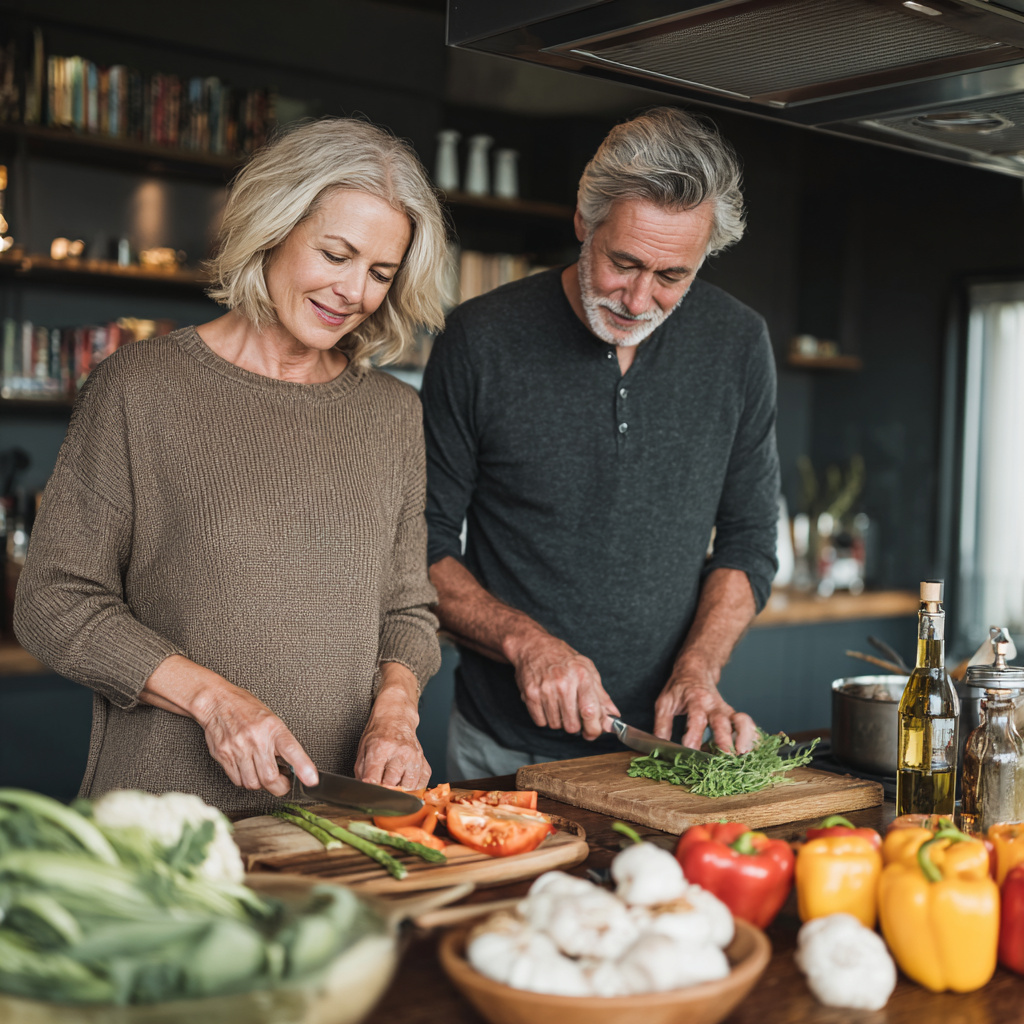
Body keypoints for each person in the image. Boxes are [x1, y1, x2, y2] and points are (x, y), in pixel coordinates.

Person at [15, 118, 448, 815]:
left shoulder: (391, 414)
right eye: (335, 254)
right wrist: (214, 701)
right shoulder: (141, 387)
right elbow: (54, 602)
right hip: (167, 818)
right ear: (272, 229)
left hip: (339, 820)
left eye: (379, 273)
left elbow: (405, 609)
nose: (353, 292)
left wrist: (396, 711)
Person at [423, 107, 780, 780]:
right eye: (623, 262)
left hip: (665, 750)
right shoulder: (478, 340)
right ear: (585, 223)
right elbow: (420, 546)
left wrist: (698, 667)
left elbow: (749, 541)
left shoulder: (738, 344)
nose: (639, 298)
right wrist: (526, 643)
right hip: (501, 750)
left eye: (673, 275)